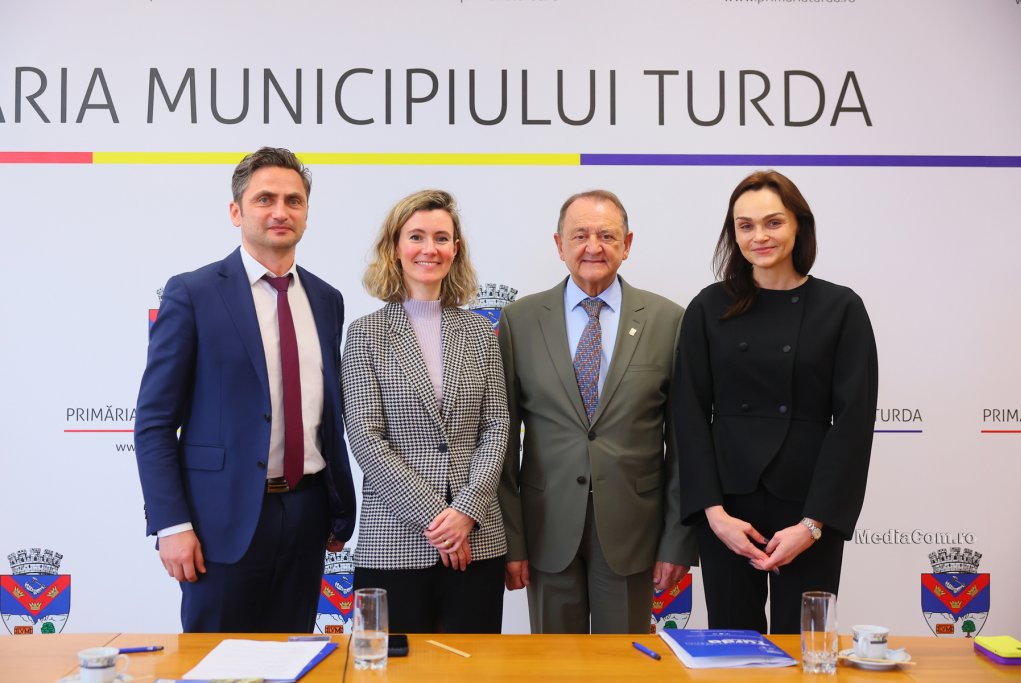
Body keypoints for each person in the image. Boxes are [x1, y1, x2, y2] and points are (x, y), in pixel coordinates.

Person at [134, 147, 356, 633]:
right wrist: (172, 524)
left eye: (294, 201)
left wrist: (339, 508)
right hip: (219, 523)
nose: (281, 211)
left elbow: (326, 413)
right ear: (236, 212)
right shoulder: (192, 294)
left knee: (293, 657)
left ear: (306, 213)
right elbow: (153, 423)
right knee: (216, 661)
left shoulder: (326, 299)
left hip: (308, 516)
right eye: (265, 199)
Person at [673, 170, 878, 634]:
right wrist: (714, 514)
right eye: (745, 226)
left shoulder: (841, 308)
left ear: (799, 225)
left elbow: (852, 424)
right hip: (728, 510)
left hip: (808, 509)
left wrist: (813, 525)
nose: (759, 236)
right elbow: (688, 415)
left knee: (805, 646)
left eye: (773, 222)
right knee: (733, 646)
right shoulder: (708, 307)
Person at [498, 189, 697, 634]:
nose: (593, 247)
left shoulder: (669, 321)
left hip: (633, 533)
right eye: (580, 235)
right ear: (559, 244)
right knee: (553, 665)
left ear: (627, 244)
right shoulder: (519, 321)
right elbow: (502, 443)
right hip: (546, 531)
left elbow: (684, 446)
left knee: (623, 664)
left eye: (607, 235)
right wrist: (512, 541)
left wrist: (677, 541)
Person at [341, 189, 509, 633]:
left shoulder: (480, 332)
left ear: (456, 249)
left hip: (476, 542)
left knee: (473, 665)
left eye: (441, 238)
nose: (429, 249)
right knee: (391, 666)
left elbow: (496, 427)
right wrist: (439, 520)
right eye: (416, 236)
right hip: (394, 542)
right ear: (395, 248)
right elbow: (366, 438)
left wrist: (466, 511)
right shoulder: (364, 334)